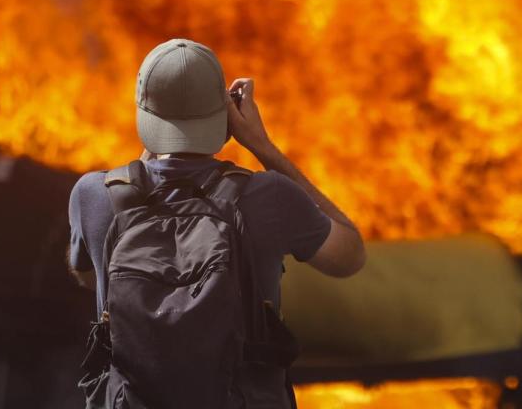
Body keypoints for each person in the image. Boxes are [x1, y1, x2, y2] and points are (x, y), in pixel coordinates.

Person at [68, 38, 366, 407]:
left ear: (145, 113)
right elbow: (349, 255)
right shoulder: (270, 196)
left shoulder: (94, 195)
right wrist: (263, 147)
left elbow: (90, 275)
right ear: (225, 114)